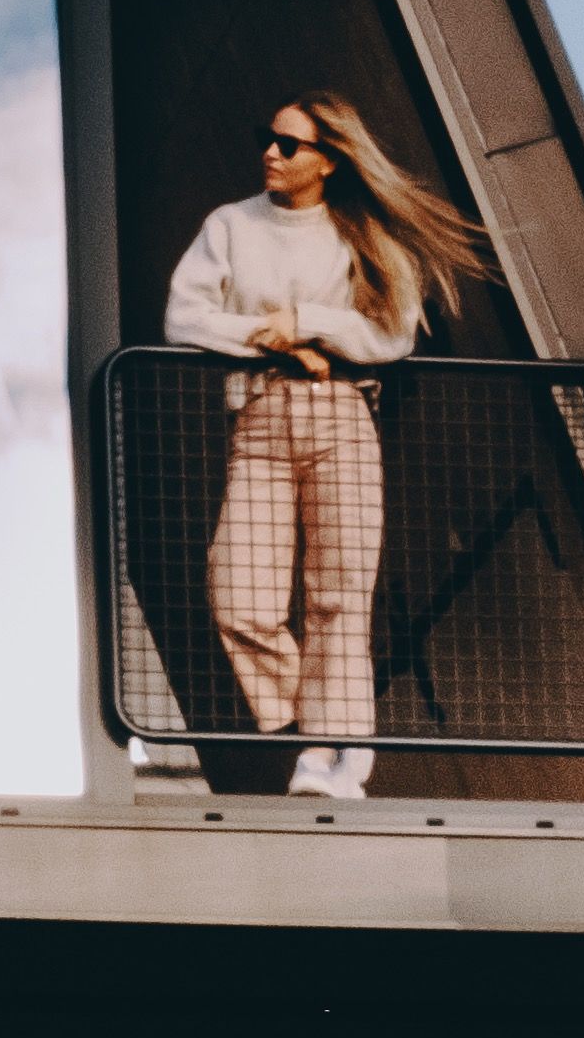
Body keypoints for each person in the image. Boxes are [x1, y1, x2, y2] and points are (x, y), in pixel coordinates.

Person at [158, 93, 495, 801]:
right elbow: (184, 317)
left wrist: (306, 324)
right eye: (267, 138)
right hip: (259, 422)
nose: (271, 154)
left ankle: (326, 758)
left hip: (343, 419)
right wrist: (269, 340)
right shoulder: (230, 224)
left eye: (289, 145)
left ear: (330, 160)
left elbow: (392, 335)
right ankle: (314, 728)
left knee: (339, 598)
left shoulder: (362, 235)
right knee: (238, 599)